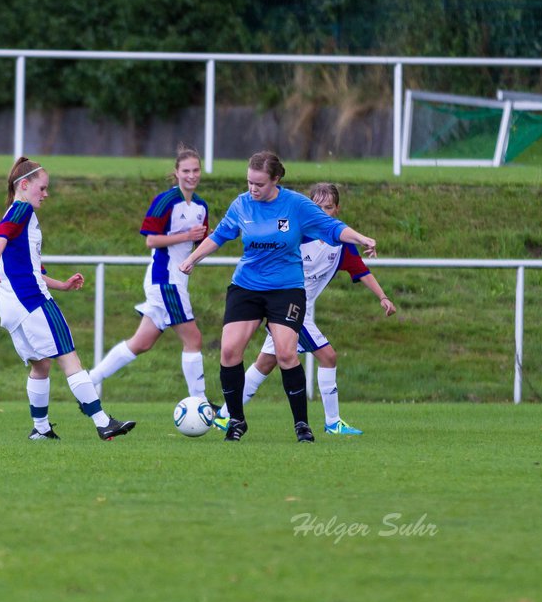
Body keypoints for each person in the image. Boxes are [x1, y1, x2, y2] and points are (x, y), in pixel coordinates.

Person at [179, 152, 378, 444]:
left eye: (259, 184)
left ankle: (302, 425)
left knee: (286, 354)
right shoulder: (241, 204)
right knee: (229, 352)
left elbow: (332, 227)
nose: (252, 189)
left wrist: (362, 239)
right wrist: (193, 259)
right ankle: (235, 420)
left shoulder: (296, 204)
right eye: (249, 182)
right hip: (246, 286)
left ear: (276, 180)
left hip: (286, 288)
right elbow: (219, 235)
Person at [0, 156, 136, 441]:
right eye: (42, 188)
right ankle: (103, 422)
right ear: (24, 185)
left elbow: (32, 269)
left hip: (13, 304)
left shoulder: (17, 214)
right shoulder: (22, 209)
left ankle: (41, 429)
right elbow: (0, 236)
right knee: (68, 356)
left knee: (41, 365)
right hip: (31, 301)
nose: (46, 194)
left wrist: (62, 285)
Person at [224, 182, 396, 435]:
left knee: (265, 363)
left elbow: (361, 271)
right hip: (286, 306)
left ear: (336, 209)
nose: (322, 212)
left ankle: (225, 415)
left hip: (292, 309)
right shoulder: (297, 234)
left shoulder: (341, 244)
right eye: (317, 207)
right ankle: (332, 422)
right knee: (328, 356)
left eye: (328, 207)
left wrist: (382, 296)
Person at [88, 144, 220, 408]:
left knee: (141, 343)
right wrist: (185, 237)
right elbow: (151, 241)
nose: (191, 175)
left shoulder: (201, 206)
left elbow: (199, 244)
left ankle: (88, 382)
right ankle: (201, 403)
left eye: (195, 170)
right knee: (193, 339)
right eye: (186, 171)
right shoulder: (165, 201)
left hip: (175, 280)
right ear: (176, 172)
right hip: (165, 280)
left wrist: (194, 258)